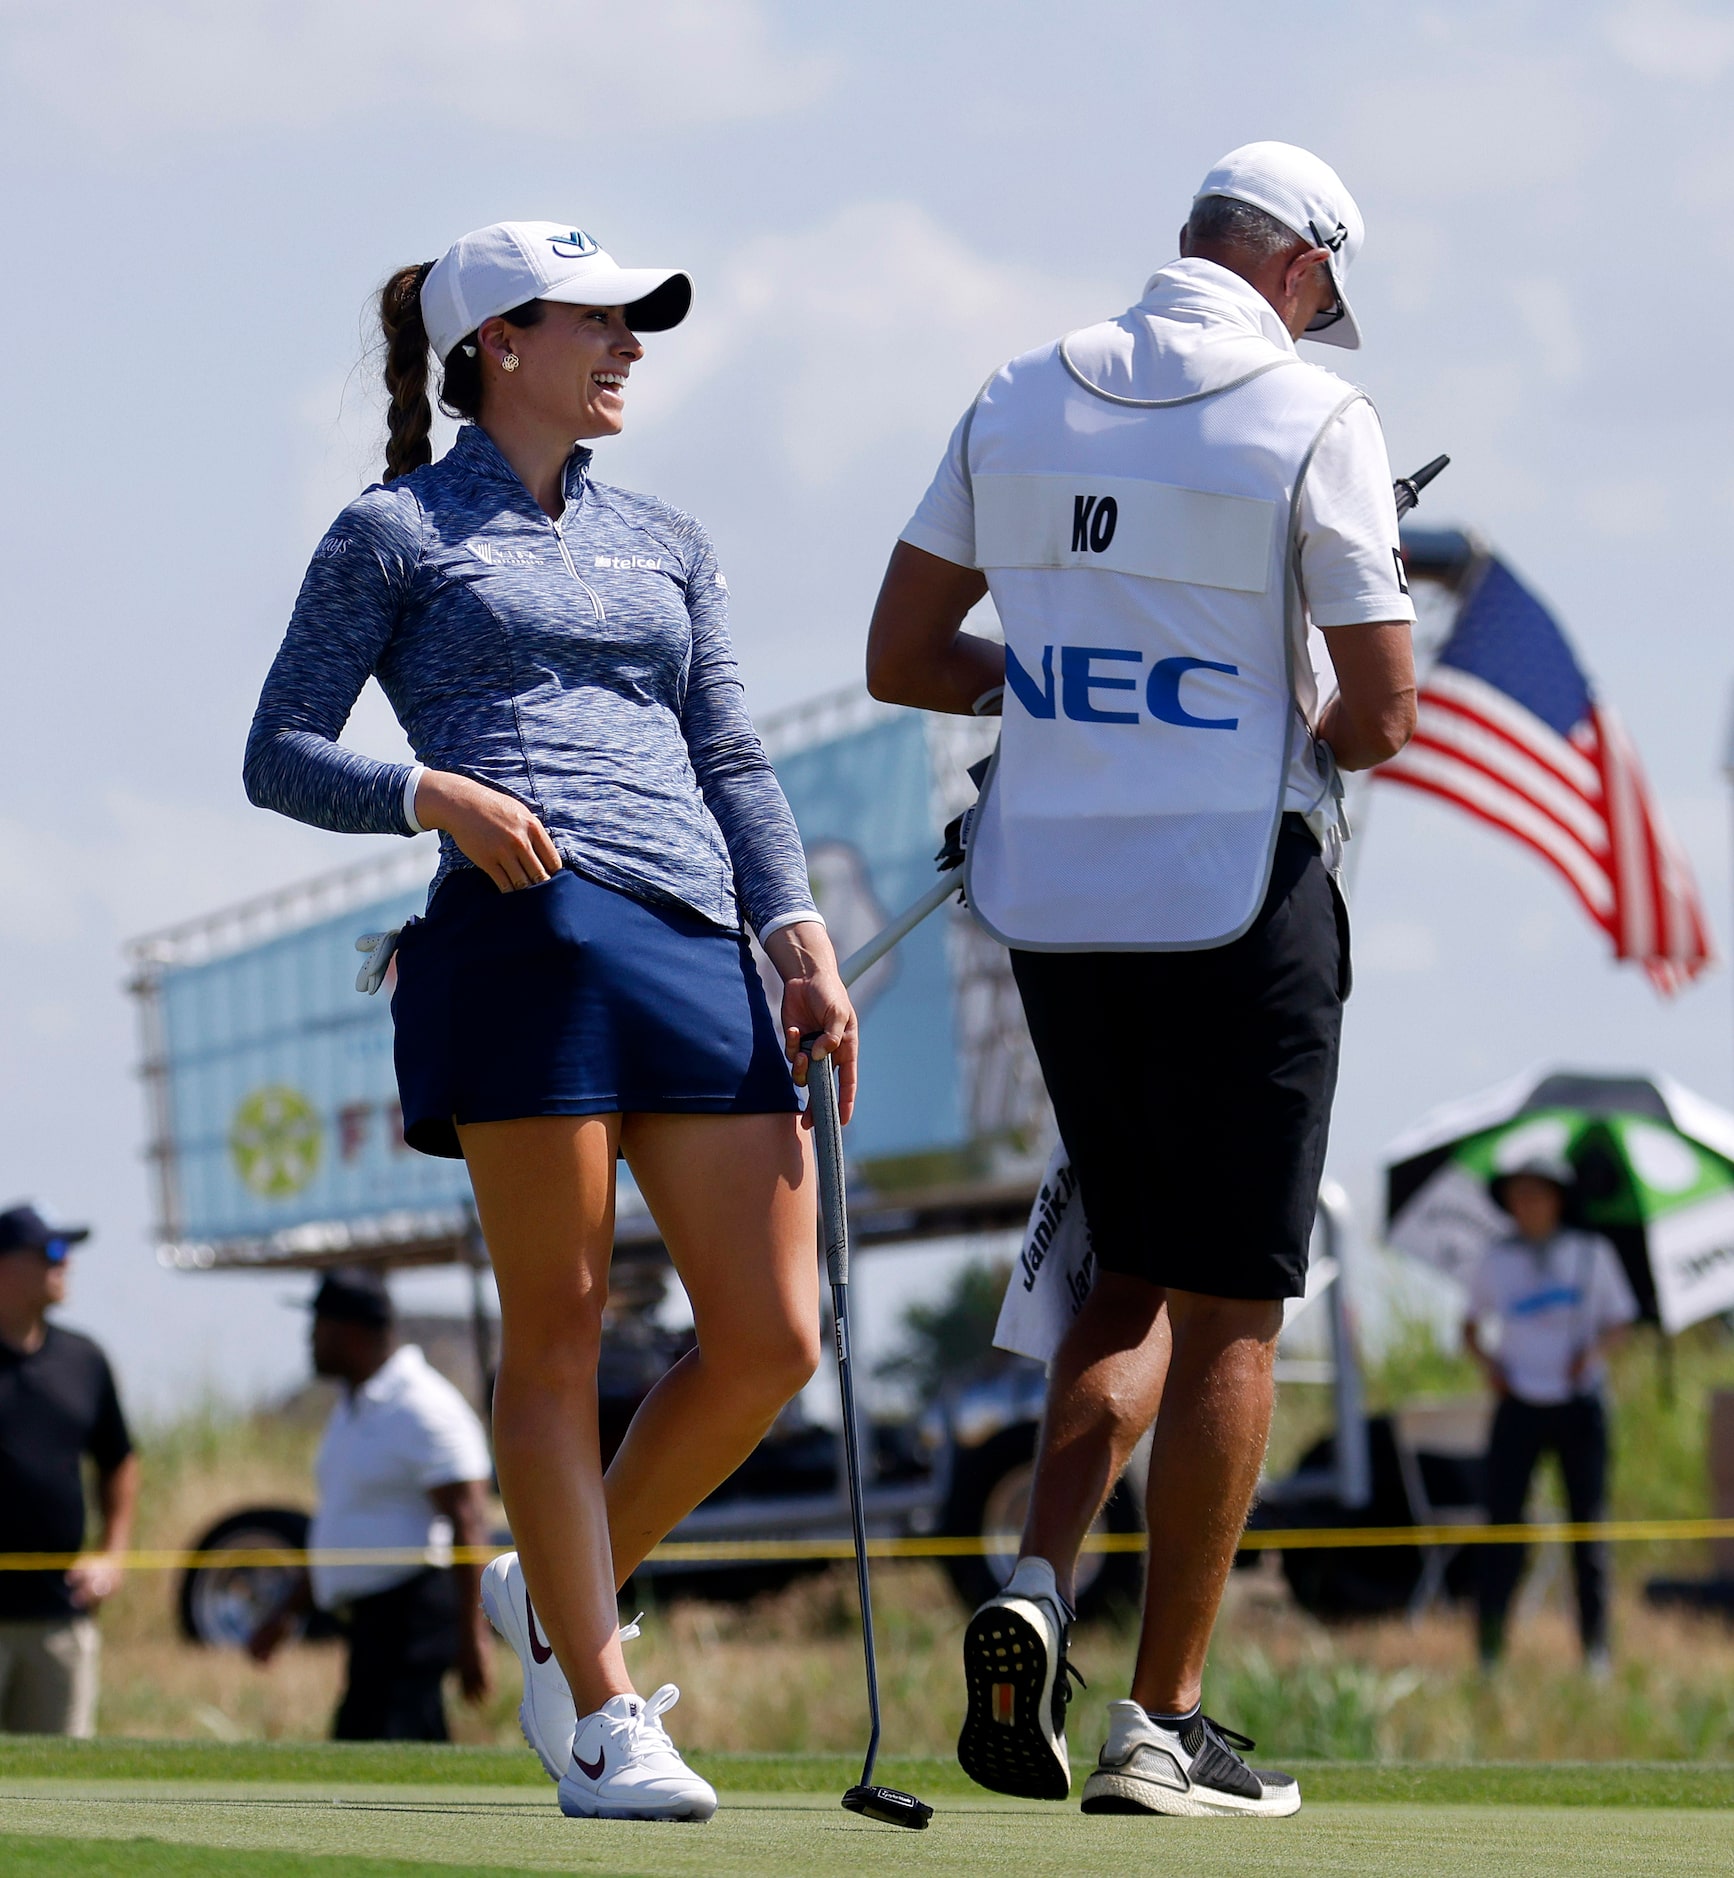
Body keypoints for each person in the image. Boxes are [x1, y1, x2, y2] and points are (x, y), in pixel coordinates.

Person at [243, 221, 855, 1820]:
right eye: (600, 321)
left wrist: (794, 930)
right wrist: (427, 792)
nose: (630, 345)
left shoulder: (666, 534)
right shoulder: (392, 529)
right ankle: (597, 1712)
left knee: (777, 1334)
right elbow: (280, 747)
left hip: (698, 938)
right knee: (562, 1324)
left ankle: (555, 1585)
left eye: (633, 322)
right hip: (521, 939)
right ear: (497, 344)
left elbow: (730, 752)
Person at [866, 142, 1416, 1818]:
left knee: (1117, 1272)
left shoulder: (1012, 393)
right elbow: (1378, 710)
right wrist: (1278, 730)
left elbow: (902, 654)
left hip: (1058, 905)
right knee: (1231, 1302)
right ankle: (1161, 1722)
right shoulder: (1317, 418)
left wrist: (1068, 706)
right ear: (1301, 270)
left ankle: (1033, 1584)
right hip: (1235, 897)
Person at [248, 1269, 495, 1739]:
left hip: (415, 1615)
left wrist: (475, 1636)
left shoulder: (422, 1405)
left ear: (350, 1330)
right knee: (364, 1748)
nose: (308, 1341)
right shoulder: (352, 1405)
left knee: (394, 1753)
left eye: (316, 1327)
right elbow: (343, 1524)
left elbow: (468, 1522)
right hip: (372, 1624)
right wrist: (288, 1611)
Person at [1464, 1154, 1637, 1673]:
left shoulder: (1591, 1253)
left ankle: (1596, 1653)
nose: (1526, 1206)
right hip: (1518, 1404)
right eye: (1517, 1196)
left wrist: (1593, 1354)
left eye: (1536, 1194)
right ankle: (1490, 1653)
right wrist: (1490, 1366)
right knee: (1503, 1530)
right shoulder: (1496, 1260)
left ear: (1558, 1199)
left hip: (1579, 1404)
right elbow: (1472, 1327)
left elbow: (1621, 1321)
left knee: (1588, 1529)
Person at [0, 1203, 138, 1737]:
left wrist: (114, 1553)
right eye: (53, 1252)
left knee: (59, 1792)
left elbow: (120, 1461)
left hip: (59, 1622)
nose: (68, 1264)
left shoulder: (84, 1360)